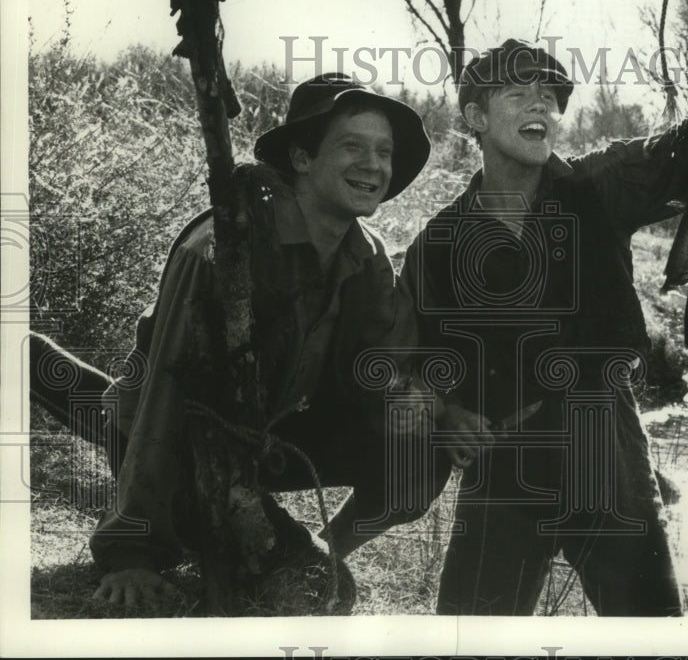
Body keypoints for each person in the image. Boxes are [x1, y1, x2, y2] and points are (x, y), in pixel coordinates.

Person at [34, 73, 450, 609]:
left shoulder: (366, 257)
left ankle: (328, 551)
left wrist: (420, 404)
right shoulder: (222, 247)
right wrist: (132, 554)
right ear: (301, 158)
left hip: (267, 434)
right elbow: (164, 397)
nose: (373, 165)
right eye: (352, 146)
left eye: (384, 151)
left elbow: (380, 371)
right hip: (184, 433)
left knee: (421, 453)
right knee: (124, 415)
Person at [398, 0, 688, 616]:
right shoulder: (437, 243)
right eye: (518, 93)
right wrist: (444, 415)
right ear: (475, 116)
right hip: (503, 463)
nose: (540, 106)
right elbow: (403, 358)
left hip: (604, 444)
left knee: (651, 635)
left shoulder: (598, 188)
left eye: (549, 97)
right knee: (466, 639)